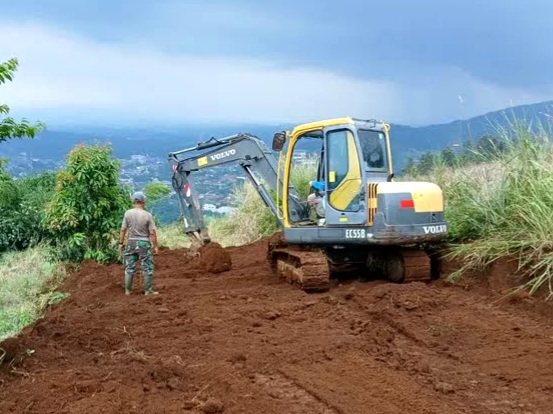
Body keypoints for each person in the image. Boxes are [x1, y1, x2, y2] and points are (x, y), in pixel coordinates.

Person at [118, 191, 159, 295]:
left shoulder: (127, 213)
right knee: (147, 266)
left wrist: (120, 243)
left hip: (131, 242)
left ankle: (128, 290)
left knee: (129, 266)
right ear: (143, 202)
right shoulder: (147, 215)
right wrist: (155, 246)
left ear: (133, 201)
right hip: (144, 243)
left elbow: (123, 229)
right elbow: (152, 233)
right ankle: (148, 290)